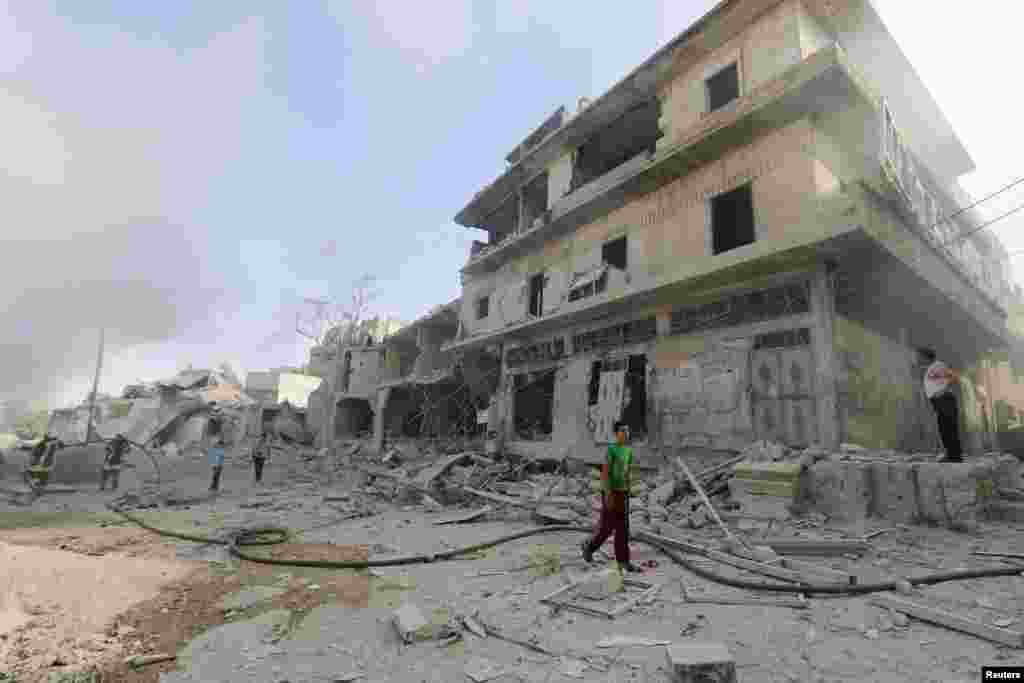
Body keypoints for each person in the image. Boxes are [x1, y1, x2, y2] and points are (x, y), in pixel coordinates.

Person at [581, 421, 640, 573]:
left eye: (627, 431)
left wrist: (628, 490)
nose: (625, 434)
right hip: (611, 492)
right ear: (616, 434)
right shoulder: (611, 450)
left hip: (623, 493)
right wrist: (607, 494)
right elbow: (605, 474)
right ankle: (589, 547)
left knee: (623, 529)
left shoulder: (628, 451)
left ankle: (623, 562)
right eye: (622, 431)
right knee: (607, 527)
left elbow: (626, 472)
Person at [918, 347, 963, 463]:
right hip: (941, 401)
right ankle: (952, 455)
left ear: (925, 357)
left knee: (948, 429)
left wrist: (942, 391)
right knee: (944, 428)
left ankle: (954, 456)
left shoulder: (937, 366)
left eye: (919, 357)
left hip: (945, 400)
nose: (917, 359)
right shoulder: (932, 368)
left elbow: (954, 377)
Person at [207, 412, 226, 492]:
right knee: (216, 469)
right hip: (216, 450)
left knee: (216, 469)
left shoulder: (216, 434)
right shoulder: (215, 434)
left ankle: (214, 485)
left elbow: (221, 442)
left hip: (216, 450)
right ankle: (214, 485)